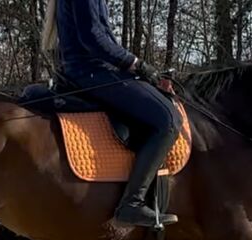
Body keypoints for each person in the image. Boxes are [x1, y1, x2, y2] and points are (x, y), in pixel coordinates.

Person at [42, 0, 182, 227]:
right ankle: (132, 203)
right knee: (168, 119)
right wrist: (138, 64)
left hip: (89, 71)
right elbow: (94, 40)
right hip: (92, 72)